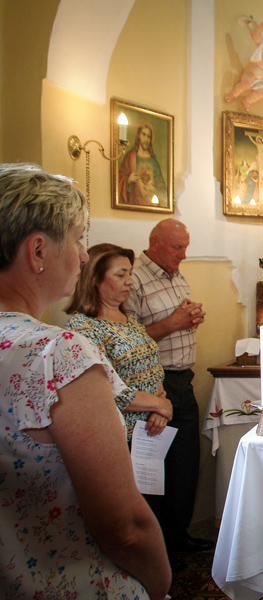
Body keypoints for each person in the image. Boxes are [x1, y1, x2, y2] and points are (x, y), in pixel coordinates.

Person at [0, 163, 170, 598]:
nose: (81, 255)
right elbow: (125, 528)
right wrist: (159, 584)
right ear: (38, 251)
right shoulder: (58, 354)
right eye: (77, 238)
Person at [124, 218, 212, 554]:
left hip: (182, 380)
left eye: (186, 247)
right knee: (154, 466)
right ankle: (156, 546)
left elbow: (176, 320)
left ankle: (178, 536)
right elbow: (128, 339)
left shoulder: (175, 274)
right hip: (155, 385)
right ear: (155, 242)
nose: (183, 254)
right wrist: (174, 323)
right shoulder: (134, 280)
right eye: (177, 247)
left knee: (184, 464)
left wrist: (191, 318)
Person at [66, 243, 173, 441]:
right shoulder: (83, 327)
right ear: (95, 280)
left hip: (149, 434)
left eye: (130, 273)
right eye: (120, 275)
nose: (130, 281)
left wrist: (161, 406)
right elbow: (102, 390)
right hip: (116, 435)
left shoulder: (131, 322)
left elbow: (152, 371)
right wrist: (158, 405)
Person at [118, 120, 168, 207]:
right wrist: (128, 180)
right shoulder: (130, 157)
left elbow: (164, 191)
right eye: (143, 134)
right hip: (132, 201)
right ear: (138, 136)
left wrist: (154, 188)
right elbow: (120, 178)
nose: (146, 139)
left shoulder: (154, 162)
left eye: (148, 136)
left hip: (151, 204)